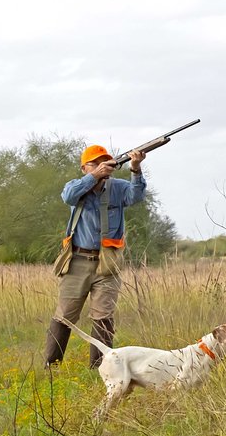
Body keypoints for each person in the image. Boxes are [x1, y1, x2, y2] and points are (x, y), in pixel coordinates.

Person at [42, 144, 148, 368]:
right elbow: (68, 197)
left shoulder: (118, 187)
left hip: (108, 262)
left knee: (103, 316)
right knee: (65, 316)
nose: (101, 166)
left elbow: (136, 197)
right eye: (95, 163)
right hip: (77, 261)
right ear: (83, 168)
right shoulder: (76, 186)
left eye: (105, 162)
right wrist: (94, 177)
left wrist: (136, 169)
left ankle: (100, 368)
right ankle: (52, 366)